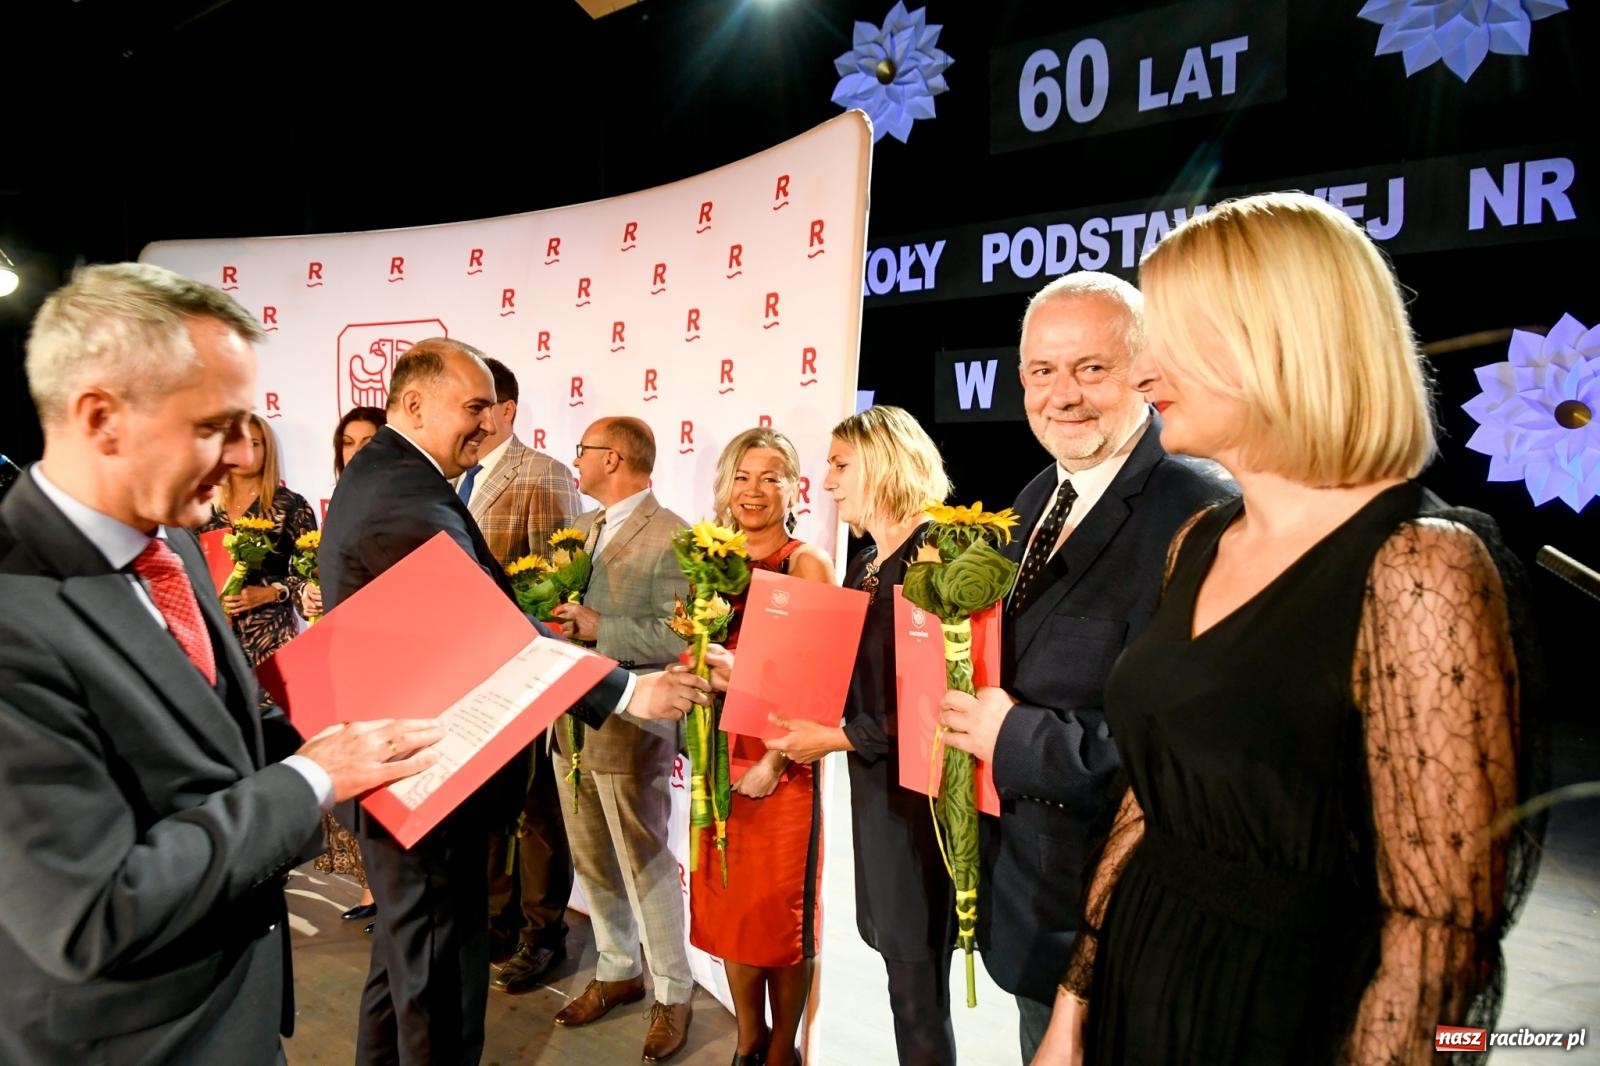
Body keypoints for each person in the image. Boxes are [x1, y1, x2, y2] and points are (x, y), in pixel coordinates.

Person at [1032, 192, 1540, 1065]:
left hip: (1286, 1021)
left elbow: (1439, 929)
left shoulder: (1423, 569)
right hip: (1137, 993)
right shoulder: (1199, 542)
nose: (1145, 373)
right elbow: (1153, 801)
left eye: (1174, 338)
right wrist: (1075, 1003)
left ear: (1279, 341)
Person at [0, 262, 443, 1065]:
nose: (244, 455)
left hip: (237, 1012)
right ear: (100, 418)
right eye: (216, 425)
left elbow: (216, 737)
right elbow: (94, 913)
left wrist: (354, 735)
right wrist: (312, 780)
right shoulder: (13, 618)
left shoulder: (171, 542)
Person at [319, 342, 707, 1066]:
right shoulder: (403, 491)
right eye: (471, 410)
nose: (487, 425)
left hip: (408, 774)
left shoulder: (394, 477)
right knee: (435, 979)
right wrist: (626, 687)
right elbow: (483, 621)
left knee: (403, 973)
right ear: (413, 405)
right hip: (419, 779)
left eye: (492, 410)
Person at [933, 272, 1229, 1062]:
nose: (1062, 394)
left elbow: (1187, 749)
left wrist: (1015, 736)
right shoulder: (1038, 494)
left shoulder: (1197, 508)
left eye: (1090, 368)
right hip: (1033, 901)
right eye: (1041, 371)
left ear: (1145, 370)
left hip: (1122, 928)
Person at [766, 405, 958, 1066]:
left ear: (883, 462)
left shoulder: (938, 555)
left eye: (840, 465)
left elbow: (943, 706)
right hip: (881, 797)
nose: (825, 482)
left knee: (915, 984)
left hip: (920, 806)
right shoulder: (870, 563)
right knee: (903, 979)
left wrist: (842, 737)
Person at [547, 416, 697, 1063]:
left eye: (581, 451)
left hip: (633, 725)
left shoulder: (674, 536)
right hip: (566, 723)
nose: (573, 462)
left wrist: (595, 625)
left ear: (613, 458)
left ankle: (674, 990)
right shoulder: (577, 531)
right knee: (591, 859)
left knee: (644, 861)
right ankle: (616, 969)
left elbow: (674, 636)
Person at [689, 428, 835, 1066]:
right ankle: (748, 1037)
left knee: (780, 918)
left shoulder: (805, 564)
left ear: (792, 489)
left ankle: (783, 1047)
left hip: (779, 766)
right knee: (731, 911)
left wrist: (775, 761)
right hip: (715, 758)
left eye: (770, 477)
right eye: (742, 476)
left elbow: (820, 680)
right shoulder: (705, 562)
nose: (753, 491)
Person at [459, 357, 583, 991]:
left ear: (505, 410)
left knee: (536, 811)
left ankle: (543, 932)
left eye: (479, 406)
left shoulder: (545, 474)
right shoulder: (449, 476)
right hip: (462, 675)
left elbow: (563, 579)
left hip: (525, 669)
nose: (471, 418)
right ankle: (494, 921)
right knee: (482, 808)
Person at [309, 404, 388, 926]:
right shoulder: (338, 501)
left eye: (368, 441)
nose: (356, 451)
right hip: (340, 652)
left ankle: (387, 892)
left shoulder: (396, 501)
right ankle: (367, 888)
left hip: (384, 657)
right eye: (348, 441)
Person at [199, 413, 317, 665]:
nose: (246, 453)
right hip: (215, 642)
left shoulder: (290, 505)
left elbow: (307, 576)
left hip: (272, 636)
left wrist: (271, 593)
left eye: (255, 443)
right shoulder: (202, 507)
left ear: (268, 450)